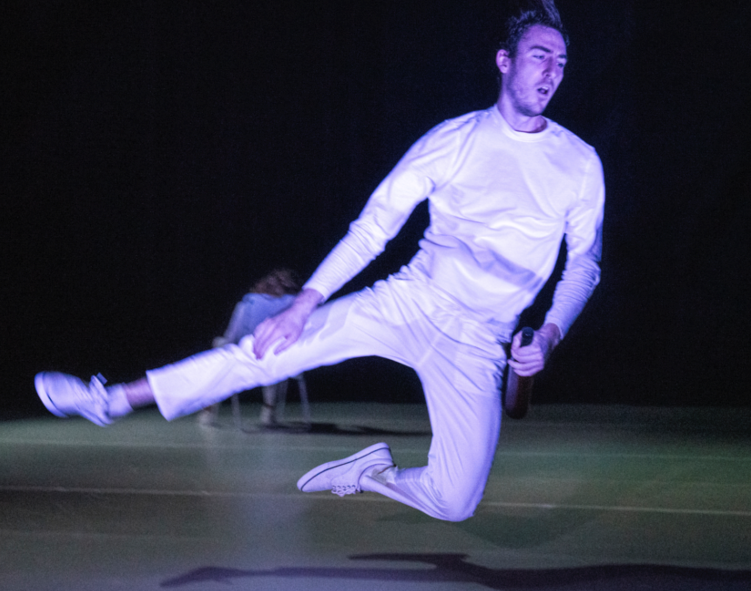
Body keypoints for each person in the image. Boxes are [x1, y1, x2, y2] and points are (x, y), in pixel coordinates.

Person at [36, 0, 603, 522]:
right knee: (263, 353)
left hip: (481, 340)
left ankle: (370, 472)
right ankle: (107, 399)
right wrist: (302, 306)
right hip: (411, 302)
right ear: (505, 61)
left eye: (561, 62)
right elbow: (372, 230)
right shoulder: (451, 141)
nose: (552, 71)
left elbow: (583, 265)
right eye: (539, 56)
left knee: (455, 502)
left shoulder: (579, 164)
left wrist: (550, 334)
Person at [198, 268, 301, 426]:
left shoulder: (290, 304)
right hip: (258, 353)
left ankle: (210, 411)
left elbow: (233, 335)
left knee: (268, 357)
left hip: (265, 354)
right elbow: (233, 333)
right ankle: (267, 412)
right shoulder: (250, 303)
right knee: (262, 357)